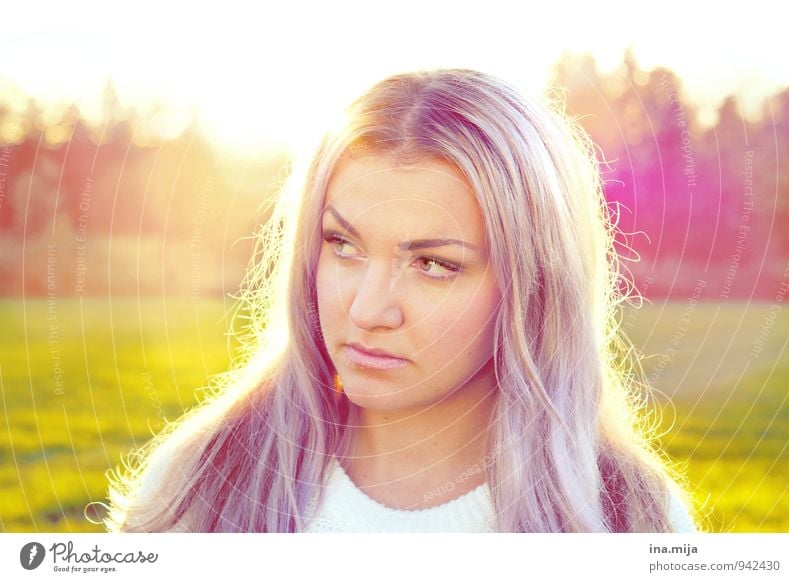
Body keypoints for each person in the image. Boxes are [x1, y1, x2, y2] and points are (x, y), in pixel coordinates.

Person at [102, 67, 699, 533]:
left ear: (535, 288)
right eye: (343, 244)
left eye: (434, 264)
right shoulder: (199, 487)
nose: (366, 310)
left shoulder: (629, 522)